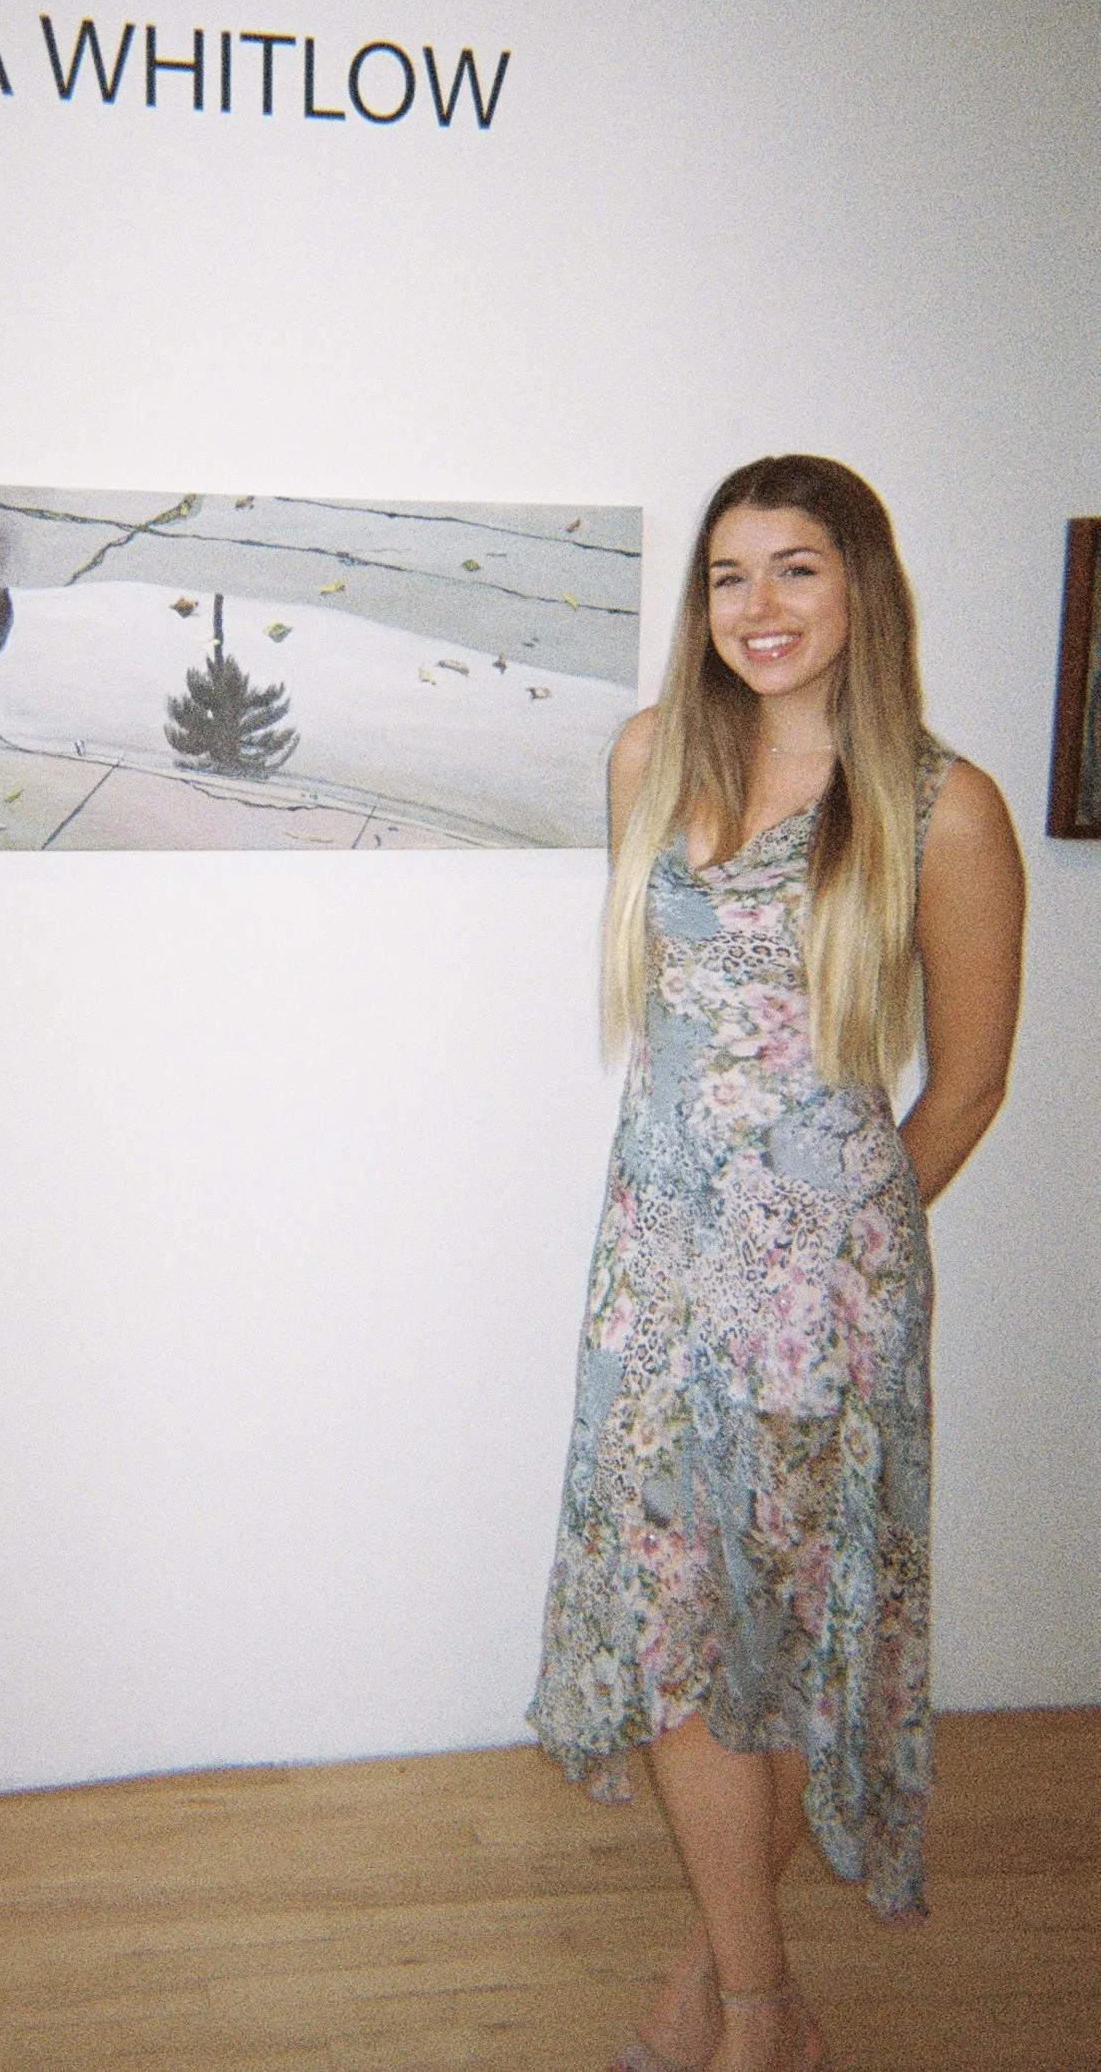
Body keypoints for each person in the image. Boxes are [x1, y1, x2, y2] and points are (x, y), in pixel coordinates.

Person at [526, 456, 1024, 2072]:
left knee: (791, 1641)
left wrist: (839, 1239)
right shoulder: (644, 761)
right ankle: (754, 2001)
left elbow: (961, 1086)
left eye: (794, 570)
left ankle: (728, 1999)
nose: (757, 607)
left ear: (860, 588)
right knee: (672, 1627)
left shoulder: (940, 806)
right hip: (653, 1288)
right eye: (727, 575)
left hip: (824, 1309)